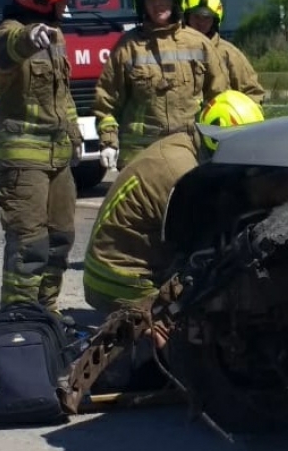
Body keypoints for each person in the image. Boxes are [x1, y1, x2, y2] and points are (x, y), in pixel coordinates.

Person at [83, 90, 265, 315]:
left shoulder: (187, 144)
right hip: (118, 278)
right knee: (204, 308)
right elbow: (203, 245)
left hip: (114, 266)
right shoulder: (182, 173)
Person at [0, 0, 83, 319]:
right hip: (24, 159)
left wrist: (75, 135)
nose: (67, 6)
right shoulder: (12, 31)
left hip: (58, 155)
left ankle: (46, 310)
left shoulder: (55, 34)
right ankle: (19, 316)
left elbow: (63, 94)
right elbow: (3, 50)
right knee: (29, 243)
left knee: (60, 238)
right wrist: (27, 38)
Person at [93, 0, 228, 172]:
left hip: (189, 153)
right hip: (139, 157)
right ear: (142, 4)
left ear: (175, 0)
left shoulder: (199, 44)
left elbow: (220, 98)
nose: (158, 3)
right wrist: (108, 142)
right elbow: (106, 102)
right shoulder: (127, 47)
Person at [184, 0, 266, 105]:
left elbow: (253, 92)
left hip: (219, 120)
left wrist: (242, 114)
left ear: (215, 21)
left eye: (206, 18)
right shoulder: (176, 50)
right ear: (187, 18)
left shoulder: (229, 53)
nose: (201, 22)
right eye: (196, 16)